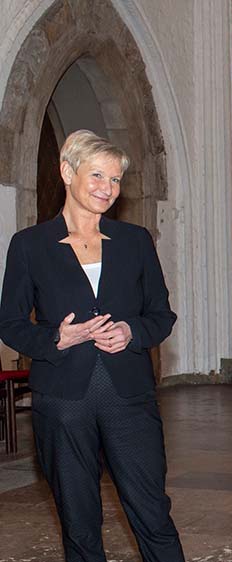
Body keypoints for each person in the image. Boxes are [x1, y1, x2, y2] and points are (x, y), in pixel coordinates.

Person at [0, 130, 183, 561]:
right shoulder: (29, 246)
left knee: (152, 512)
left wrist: (131, 332)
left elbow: (162, 315)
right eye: (97, 175)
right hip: (63, 402)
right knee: (79, 521)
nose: (108, 188)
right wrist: (55, 338)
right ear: (67, 172)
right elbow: (9, 324)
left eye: (116, 180)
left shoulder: (136, 241)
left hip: (129, 399)